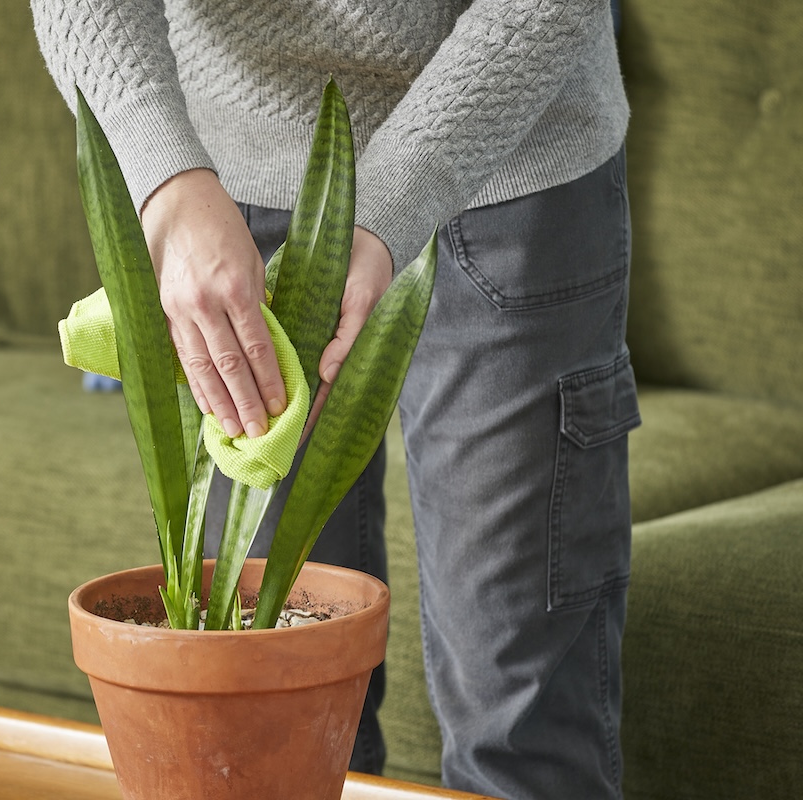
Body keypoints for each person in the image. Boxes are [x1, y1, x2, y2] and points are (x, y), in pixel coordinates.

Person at [32, 2, 638, 798]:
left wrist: (385, 204)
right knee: (274, 729)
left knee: (518, 728)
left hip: (511, 162)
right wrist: (168, 184)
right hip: (225, 196)